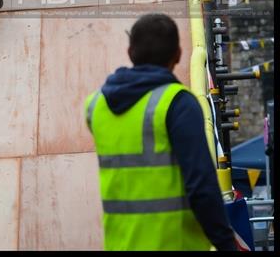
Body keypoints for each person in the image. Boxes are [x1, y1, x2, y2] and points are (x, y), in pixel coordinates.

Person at [84, 13, 238, 251]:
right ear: (177, 54)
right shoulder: (178, 103)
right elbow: (201, 186)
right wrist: (227, 245)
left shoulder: (95, 106)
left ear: (130, 52)